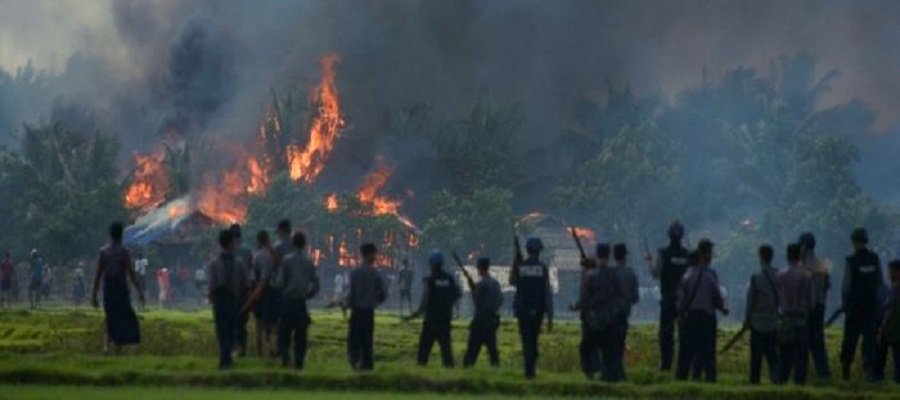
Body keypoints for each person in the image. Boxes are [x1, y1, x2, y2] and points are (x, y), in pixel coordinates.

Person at [676, 239, 727, 383]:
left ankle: (684, 383)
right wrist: (723, 309)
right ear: (703, 255)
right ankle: (710, 382)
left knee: (686, 354)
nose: (711, 256)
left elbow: (680, 301)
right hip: (707, 319)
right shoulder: (711, 276)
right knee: (708, 355)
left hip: (690, 319)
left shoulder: (686, 276)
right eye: (710, 253)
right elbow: (717, 298)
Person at [91, 222, 145, 354]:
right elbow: (131, 274)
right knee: (126, 318)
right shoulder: (124, 252)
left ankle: (106, 347)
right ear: (121, 235)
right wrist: (140, 291)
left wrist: (94, 294)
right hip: (120, 289)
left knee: (110, 317)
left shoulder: (103, 252)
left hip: (108, 288)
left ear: (110, 235)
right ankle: (120, 349)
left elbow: (98, 275)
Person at [405, 251, 461, 367]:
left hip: (431, 320)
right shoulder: (449, 279)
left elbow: (425, 300)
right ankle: (450, 374)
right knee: (446, 351)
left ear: (431, 264)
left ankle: (420, 373)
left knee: (424, 351)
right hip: (445, 320)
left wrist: (415, 314)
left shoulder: (429, 279)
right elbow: (458, 294)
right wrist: (449, 304)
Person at [840, 228, 883, 381]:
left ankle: (846, 372)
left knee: (850, 341)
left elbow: (846, 286)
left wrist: (844, 304)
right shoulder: (874, 259)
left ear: (854, 241)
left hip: (854, 309)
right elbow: (880, 284)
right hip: (870, 309)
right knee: (869, 343)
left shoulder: (851, 261)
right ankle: (868, 373)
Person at [576, 243, 623, 381]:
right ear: (609, 255)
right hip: (609, 318)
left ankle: (590, 373)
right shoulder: (614, 275)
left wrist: (577, 307)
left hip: (593, 319)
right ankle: (609, 377)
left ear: (597, 255)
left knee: (586, 348)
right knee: (608, 351)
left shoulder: (591, 276)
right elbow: (619, 296)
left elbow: (585, 297)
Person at [273, 231, 320, 369]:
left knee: (284, 334)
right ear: (304, 245)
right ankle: (299, 363)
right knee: (301, 337)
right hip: (301, 303)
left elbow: (280, 282)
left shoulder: (286, 261)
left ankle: (286, 358)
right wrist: (308, 295)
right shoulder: (309, 262)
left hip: (288, 302)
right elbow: (316, 284)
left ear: (292, 244)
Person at [647, 221, 690, 371]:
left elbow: (655, 273)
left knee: (666, 334)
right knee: (684, 335)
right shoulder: (688, 254)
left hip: (668, 298)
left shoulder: (663, 253)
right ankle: (683, 367)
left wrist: (649, 262)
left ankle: (666, 365)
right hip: (685, 301)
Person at [510, 237, 553, 379]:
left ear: (528, 250)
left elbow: (513, 281)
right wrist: (550, 315)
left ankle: (529, 371)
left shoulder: (521, 266)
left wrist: (516, 262)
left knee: (527, 341)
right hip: (538, 310)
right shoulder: (542, 268)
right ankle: (531, 369)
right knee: (533, 340)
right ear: (539, 251)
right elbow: (546, 291)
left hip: (523, 310)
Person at [208, 229, 248, 370]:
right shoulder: (239, 263)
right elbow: (245, 284)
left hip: (222, 300)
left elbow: (212, 285)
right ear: (231, 243)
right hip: (231, 300)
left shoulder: (215, 264)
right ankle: (226, 359)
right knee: (229, 330)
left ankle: (225, 359)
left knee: (224, 330)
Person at [775, 243, 815, 385]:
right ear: (799, 256)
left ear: (787, 256)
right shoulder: (806, 275)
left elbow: (777, 297)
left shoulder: (780, 275)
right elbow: (812, 301)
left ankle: (781, 383)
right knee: (801, 357)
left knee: (784, 355)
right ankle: (799, 385)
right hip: (800, 320)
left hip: (785, 319)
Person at [344, 243, 387, 371]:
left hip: (356, 312)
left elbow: (351, 294)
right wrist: (375, 301)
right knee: (367, 342)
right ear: (368, 254)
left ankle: (355, 363)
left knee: (354, 342)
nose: (375, 256)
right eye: (374, 253)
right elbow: (383, 294)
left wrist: (346, 304)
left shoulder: (355, 273)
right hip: (368, 313)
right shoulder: (376, 274)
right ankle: (367, 368)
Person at [798, 232, 832, 378]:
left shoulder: (801, 266)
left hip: (804, 311)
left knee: (801, 345)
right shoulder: (823, 265)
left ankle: (801, 376)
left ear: (803, 247)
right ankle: (824, 375)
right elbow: (828, 286)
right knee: (818, 345)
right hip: (820, 309)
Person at [744, 245, 779, 384]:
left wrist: (747, 319)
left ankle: (754, 383)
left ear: (760, 257)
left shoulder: (756, 278)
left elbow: (750, 301)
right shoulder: (779, 275)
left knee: (756, 359)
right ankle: (776, 382)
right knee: (773, 358)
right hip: (773, 322)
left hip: (757, 323)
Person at [463, 257, 503, 368]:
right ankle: (496, 370)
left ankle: (466, 372)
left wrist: (471, 286)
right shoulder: (495, 283)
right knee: (493, 351)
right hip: (492, 320)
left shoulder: (481, 284)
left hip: (480, 321)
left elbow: (476, 300)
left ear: (480, 268)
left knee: (472, 351)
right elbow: (500, 300)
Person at [610, 243, 639, 381]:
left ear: (614, 256)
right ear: (625, 257)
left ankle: (613, 373)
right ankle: (618, 373)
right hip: (623, 315)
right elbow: (635, 298)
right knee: (620, 345)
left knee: (610, 346)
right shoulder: (631, 273)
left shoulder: (609, 273)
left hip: (609, 317)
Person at [249, 230, 277, 356]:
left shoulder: (257, 256)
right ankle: (272, 348)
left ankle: (260, 352)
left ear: (258, 241)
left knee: (259, 324)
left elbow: (254, 277)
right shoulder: (274, 255)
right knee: (273, 324)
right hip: (274, 291)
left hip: (261, 292)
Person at [230, 224, 254, 357]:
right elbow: (250, 268)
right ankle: (243, 349)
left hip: (231, 291)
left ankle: (234, 348)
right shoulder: (247, 251)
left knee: (231, 322)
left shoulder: (228, 251)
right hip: (244, 291)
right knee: (242, 323)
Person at [876, 260, 900, 383]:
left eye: (891, 271)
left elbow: (890, 311)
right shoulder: (893, 288)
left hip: (893, 330)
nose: (889, 274)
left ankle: (879, 380)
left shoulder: (896, 290)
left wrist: (882, 329)